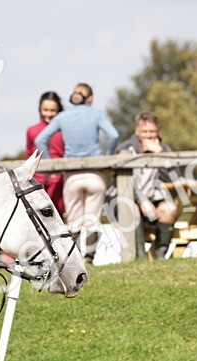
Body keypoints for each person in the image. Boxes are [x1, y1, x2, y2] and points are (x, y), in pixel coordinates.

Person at [34, 82, 118, 265]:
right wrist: (108, 159)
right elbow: (113, 135)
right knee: (92, 219)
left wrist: (50, 164)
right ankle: (88, 259)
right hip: (95, 174)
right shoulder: (96, 114)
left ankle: (75, 260)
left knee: (73, 221)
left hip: (71, 176)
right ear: (90, 98)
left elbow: (40, 140)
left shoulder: (63, 117)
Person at [114, 112, 182, 259]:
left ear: (158, 132)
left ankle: (160, 256)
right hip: (129, 199)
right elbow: (122, 184)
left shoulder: (164, 149)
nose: (149, 135)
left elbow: (174, 178)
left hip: (156, 198)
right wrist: (142, 201)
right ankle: (140, 257)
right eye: (145, 131)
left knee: (170, 209)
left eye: (152, 131)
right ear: (137, 132)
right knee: (132, 209)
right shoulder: (125, 150)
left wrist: (160, 155)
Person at [25, 91, 65, 214]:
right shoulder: (31, 130)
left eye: (53, 110)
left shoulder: (64, 130)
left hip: (59, 181)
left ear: (59, 110)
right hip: (37, 181)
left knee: (57, 214)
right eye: (45, 110)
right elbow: (29, 155)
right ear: (40, 109)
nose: (49, 113)